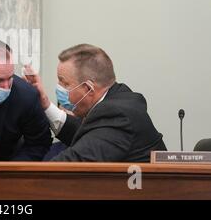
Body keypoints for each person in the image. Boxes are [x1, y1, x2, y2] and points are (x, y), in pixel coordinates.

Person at [23, 44, 166, 162]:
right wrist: (45, 104)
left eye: (64, 83)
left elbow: (73, 162)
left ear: (88, 88)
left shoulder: (118, 115)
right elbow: (84, 133)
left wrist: (23, 180)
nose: (59, 87)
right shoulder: (118, 98)